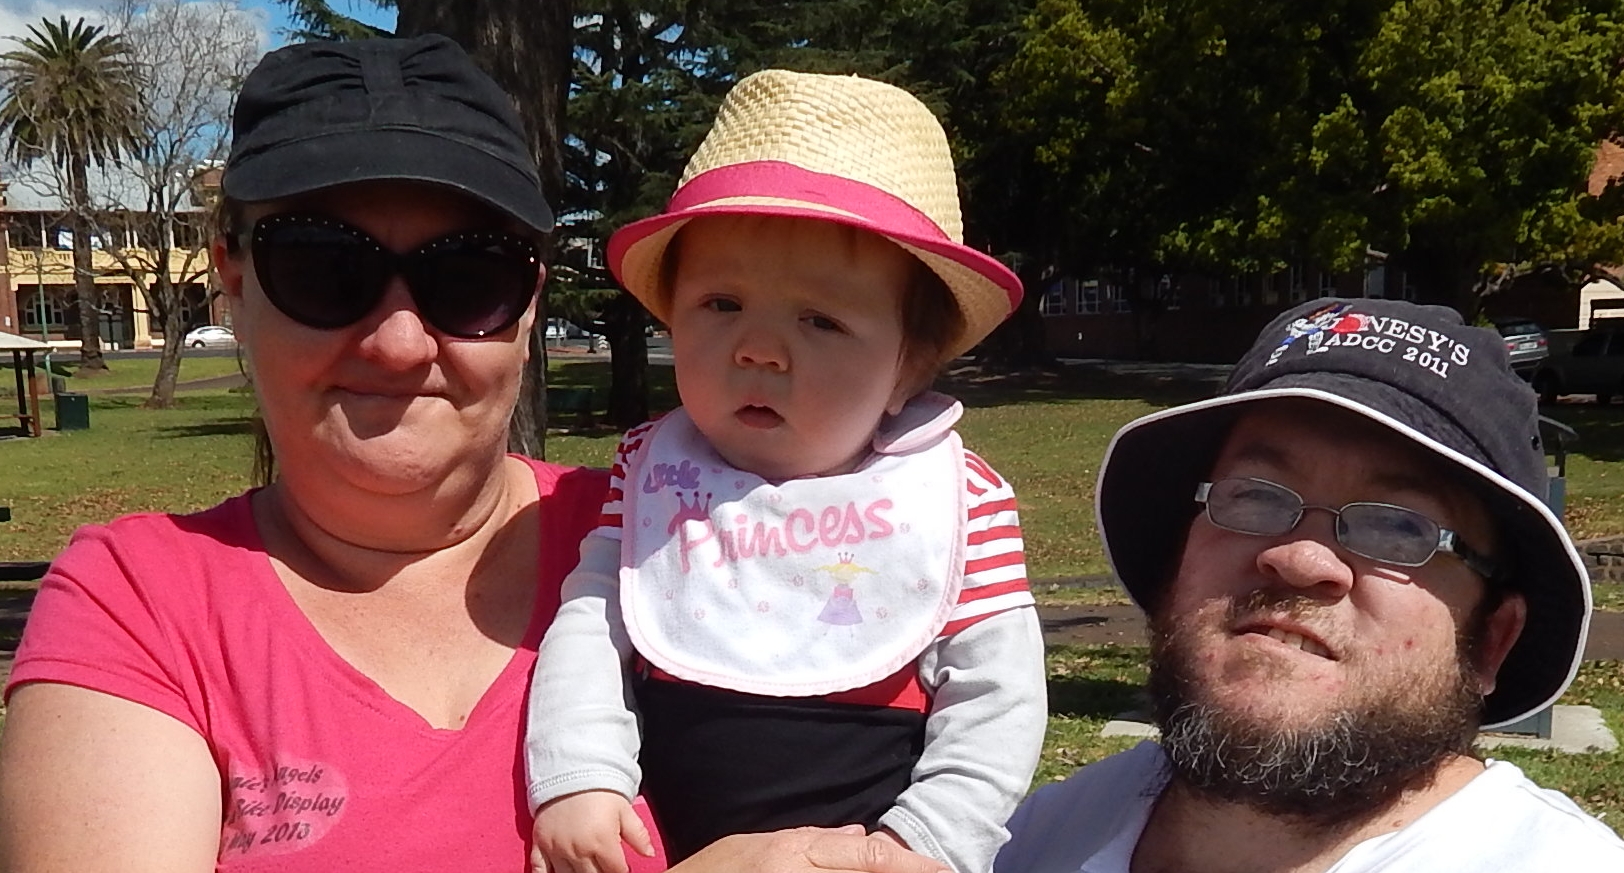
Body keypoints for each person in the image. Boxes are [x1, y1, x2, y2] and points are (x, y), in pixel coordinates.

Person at [0, 37, 948, 873]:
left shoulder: (676, 537)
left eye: (471, 277)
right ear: (234, 282)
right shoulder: (139, 604)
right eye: (326, 269)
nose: (401, 341)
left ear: (529, 303)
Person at [525, 70, 1047, 873]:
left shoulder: (959, 499)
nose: (758, 348)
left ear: (907, 367)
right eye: (721, 304)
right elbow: (594, 624)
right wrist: (580, 774)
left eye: (820, 319)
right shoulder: (652, 471)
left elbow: (998, 694)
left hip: (866, 851)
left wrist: (931, 839)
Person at [994, 297, 1624, 872]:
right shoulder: (1031, 842)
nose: (1299, 559)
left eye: (1400, 528)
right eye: (1253, 497)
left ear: (1491, 640)